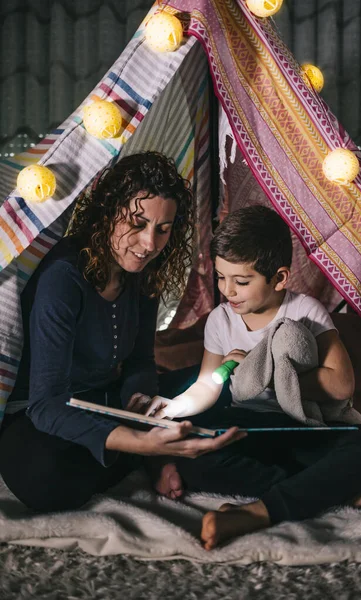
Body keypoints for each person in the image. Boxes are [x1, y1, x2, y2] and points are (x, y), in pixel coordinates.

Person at [0, 151, 244, 513]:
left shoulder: (145, 270)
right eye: (137, 223)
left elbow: (140, 361)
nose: (149, 243)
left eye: (163, 229)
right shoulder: (64, 276)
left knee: (222, 391)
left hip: (107, 402)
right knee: (44, 479)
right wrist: (143, 443)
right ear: (107, 213)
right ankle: (149, 457)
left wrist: (143, 405)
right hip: (43, 416)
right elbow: (46, 403)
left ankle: (148, 452)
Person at [143, 206, 361, 550]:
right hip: (249, 428)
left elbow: (341, 385)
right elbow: (206, 385)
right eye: (220, 277)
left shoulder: (305, 311)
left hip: (301, 427)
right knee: (197, 457)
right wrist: (175, 408)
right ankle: (332, 490)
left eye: (242, 282)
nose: (228, 290)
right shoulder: (221, 320)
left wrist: (267, 375)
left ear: (278, 278)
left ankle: (259, 512)